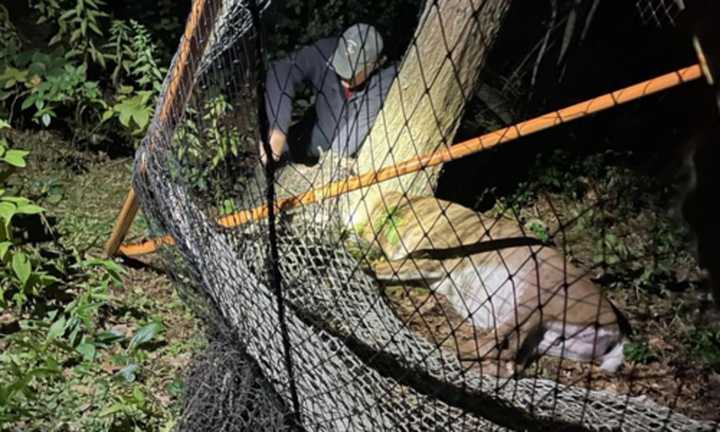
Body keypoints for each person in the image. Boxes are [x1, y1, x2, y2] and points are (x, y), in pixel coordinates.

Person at [262, 23, 397, 165]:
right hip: (313, 138)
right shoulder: (327, 51)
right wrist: (278, 128)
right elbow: (281, 69)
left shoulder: (386, 80)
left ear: (375, 65)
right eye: (339, 63)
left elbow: (354, 131)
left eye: (351, 72)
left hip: (349, 154)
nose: (341, 75)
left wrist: (327, 166)